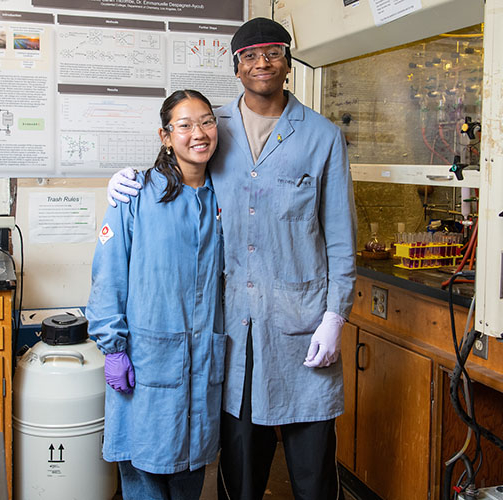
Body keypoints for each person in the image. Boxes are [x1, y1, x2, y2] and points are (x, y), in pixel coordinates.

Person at [108, 17, 356, 500]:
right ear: (236, 67)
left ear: (289, 63)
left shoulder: (323, 137)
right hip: (233, 329)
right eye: (250, 55)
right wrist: (123, 183)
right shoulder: (212, 127)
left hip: (302, 326)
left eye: (273, 53)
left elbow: (342, 238)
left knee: (314, 476)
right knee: (239, 476)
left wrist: (335, 316)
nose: (262, 62)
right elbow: (172, 172)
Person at [87, 89, 226, 500]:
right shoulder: (135, 195)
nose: (198, 133)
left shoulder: (226, 196)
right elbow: (107, 277)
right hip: (145, 366)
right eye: (184, 125)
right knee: (144, 482)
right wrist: (113, 348)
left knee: (188, 479)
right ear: (165, 136)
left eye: (206, 121)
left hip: (202, 368)